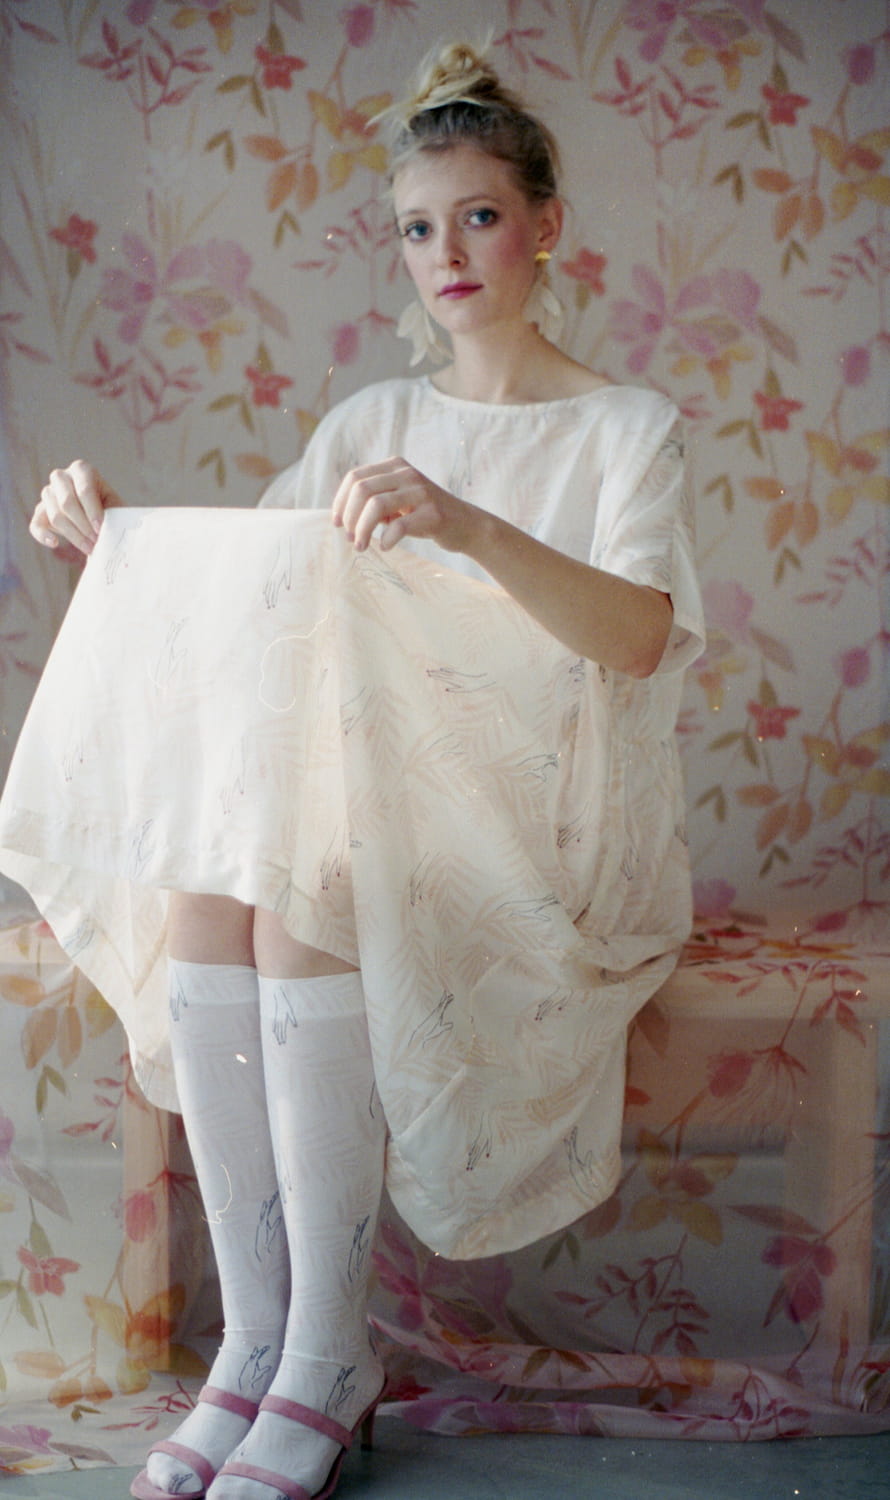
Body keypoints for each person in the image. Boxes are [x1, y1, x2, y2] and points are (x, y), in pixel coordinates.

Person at [1, 40, 704, 1500]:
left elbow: (637, 641)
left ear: (545, 225)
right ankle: (256, 1345)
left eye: (478, 216)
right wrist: (118, 547)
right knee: (219, 882)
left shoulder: (625, 430)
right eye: (415, 225)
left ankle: (327, 1351)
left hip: (550, 831)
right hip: (380, 816)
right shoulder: (364, 427)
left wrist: (465, 523)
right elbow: (254, 631)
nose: (443, 252)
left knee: (305, 891)